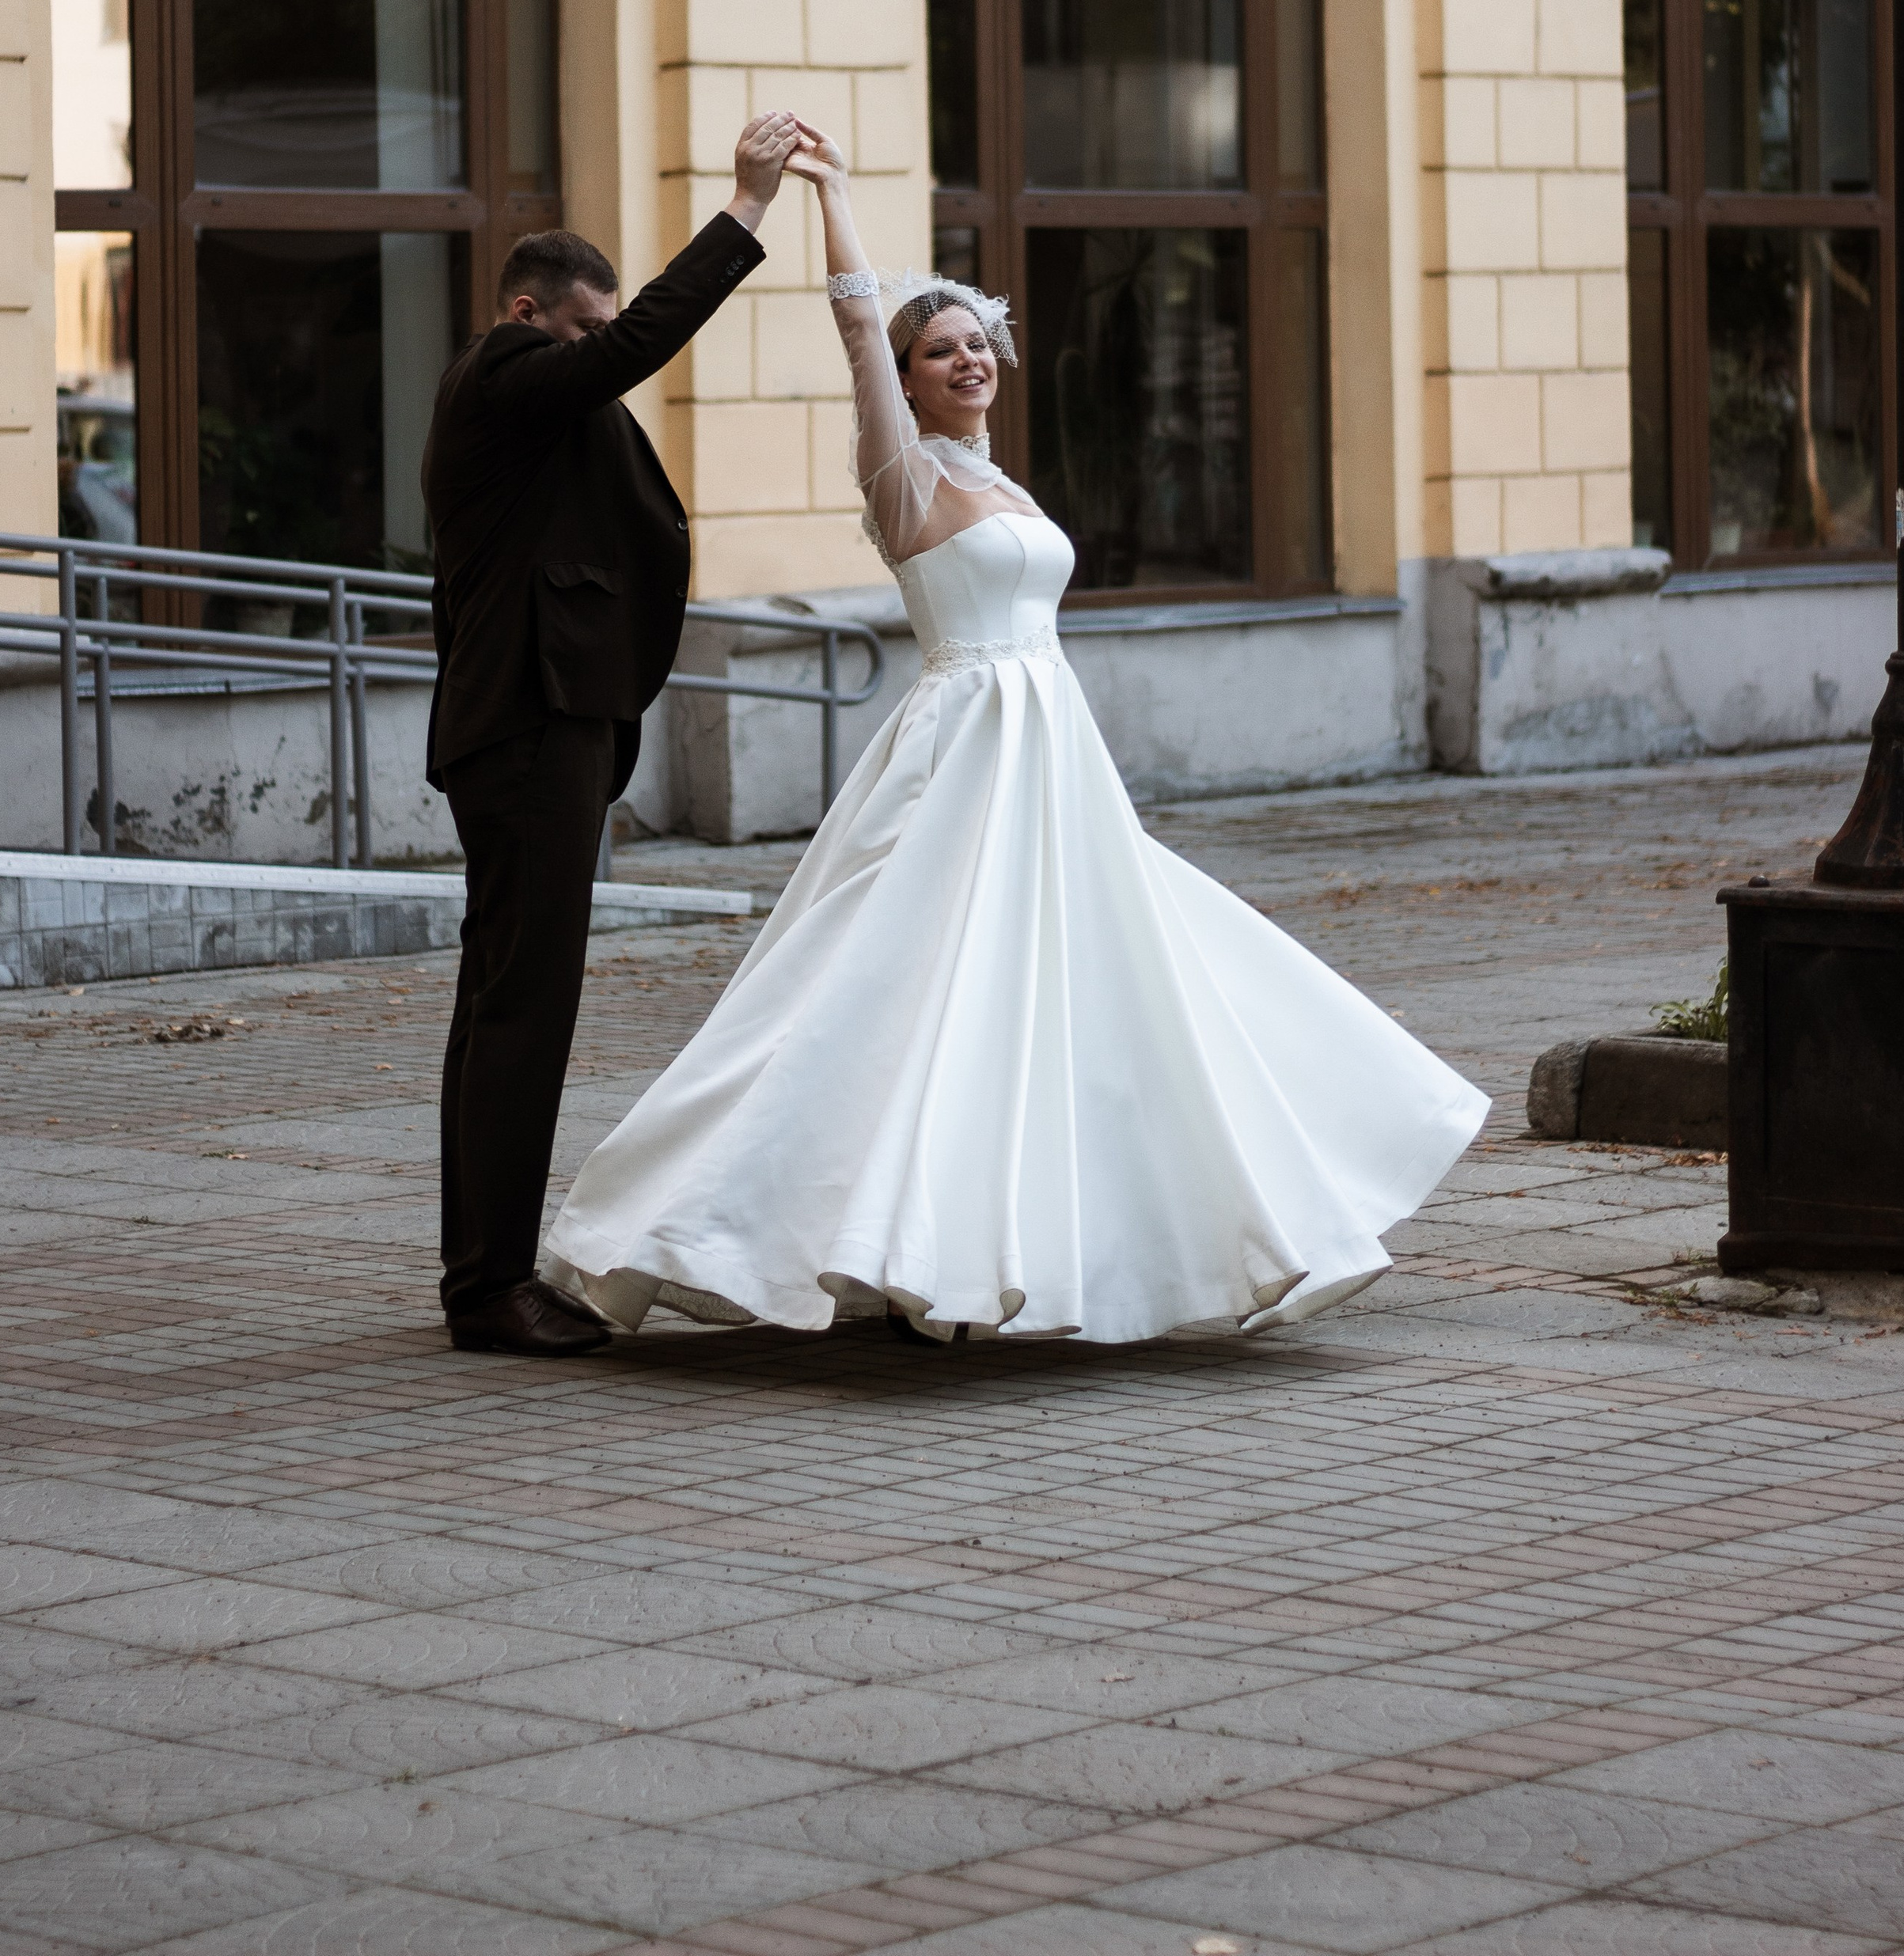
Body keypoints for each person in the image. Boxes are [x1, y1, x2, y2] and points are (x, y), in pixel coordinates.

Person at [541, 122, 1489, 1347]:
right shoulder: (904, 475)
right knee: (918, 987)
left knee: (1101, 983)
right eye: (939, 350)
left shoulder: (1004, 485)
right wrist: (830, 196)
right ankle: (855, 1240)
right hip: (964, 747)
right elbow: (856, 323)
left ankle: (1116, 1238)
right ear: (909, 379)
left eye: (977, 342)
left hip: (1053, 752)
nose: (966, 359)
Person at [422, 112, 798, 1356]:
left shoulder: (534, 405)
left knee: (503, 1002)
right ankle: (490, 1290)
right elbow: (636, 346)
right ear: (527, 314)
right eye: (585, 329)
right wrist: (746, 208)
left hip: (538, 721)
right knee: (522, 1009)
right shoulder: (503, 376)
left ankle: (480, 1273)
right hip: (529, 723)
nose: (602, 348)